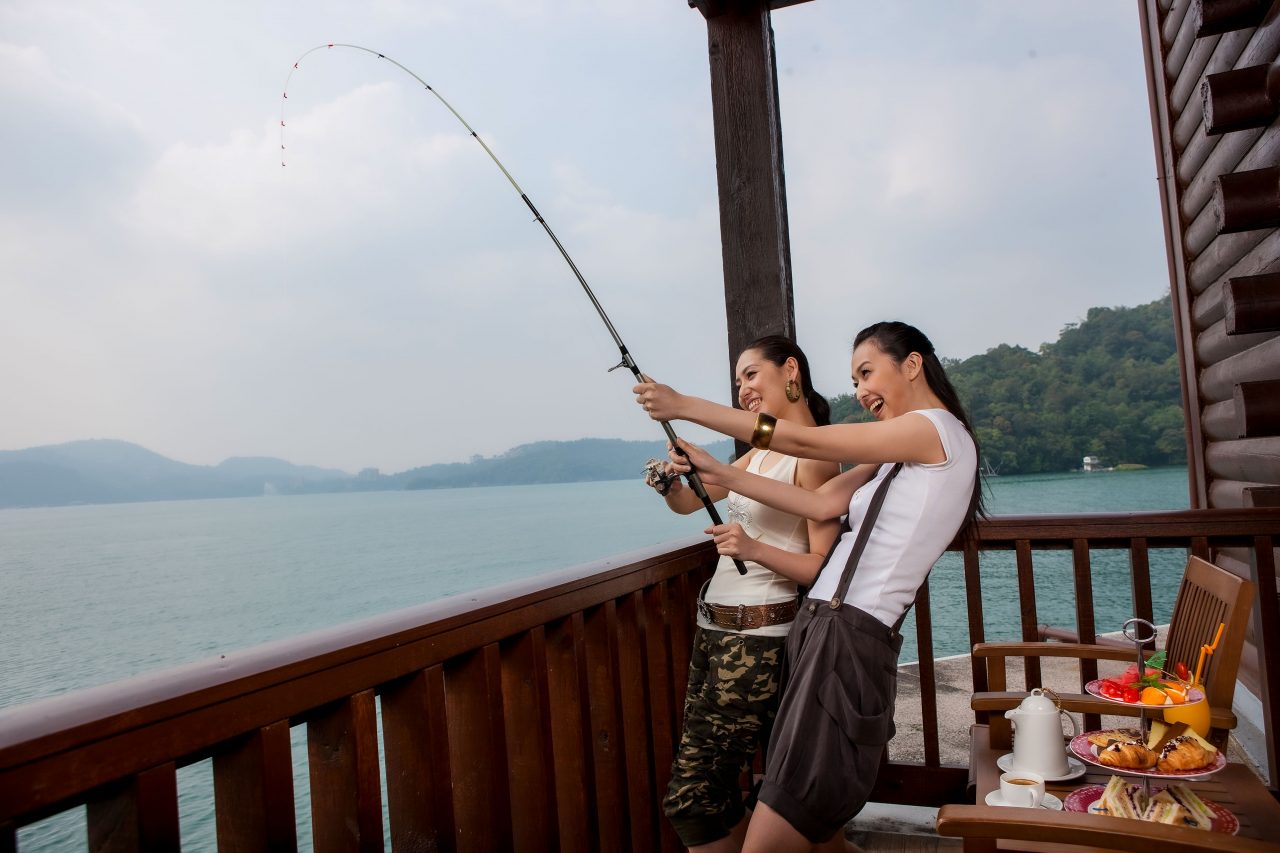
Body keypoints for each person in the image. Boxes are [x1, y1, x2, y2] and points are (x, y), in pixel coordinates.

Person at [635, 321, 982, 853]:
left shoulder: (932, 429)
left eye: (868, 372)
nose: (861, 390)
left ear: (912, 364)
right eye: (855, 378)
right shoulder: (901, 450)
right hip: (822, 628)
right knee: (812, 824)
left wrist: (683, 404)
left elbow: (800, 438)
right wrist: (719, 474)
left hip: (848, 633)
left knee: (783, 824)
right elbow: (819, 504)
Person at [644, 335, 841, 853]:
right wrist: (668, 483)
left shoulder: (817, 456)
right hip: (715, 632)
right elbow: (692, 504)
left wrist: (753, 547)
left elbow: (819, 568)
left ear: (790, 370)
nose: (743, 389)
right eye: (738, 383)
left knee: (692, 798)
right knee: (742, 787)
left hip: (758, 639)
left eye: (751, 375)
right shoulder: (756, 455)